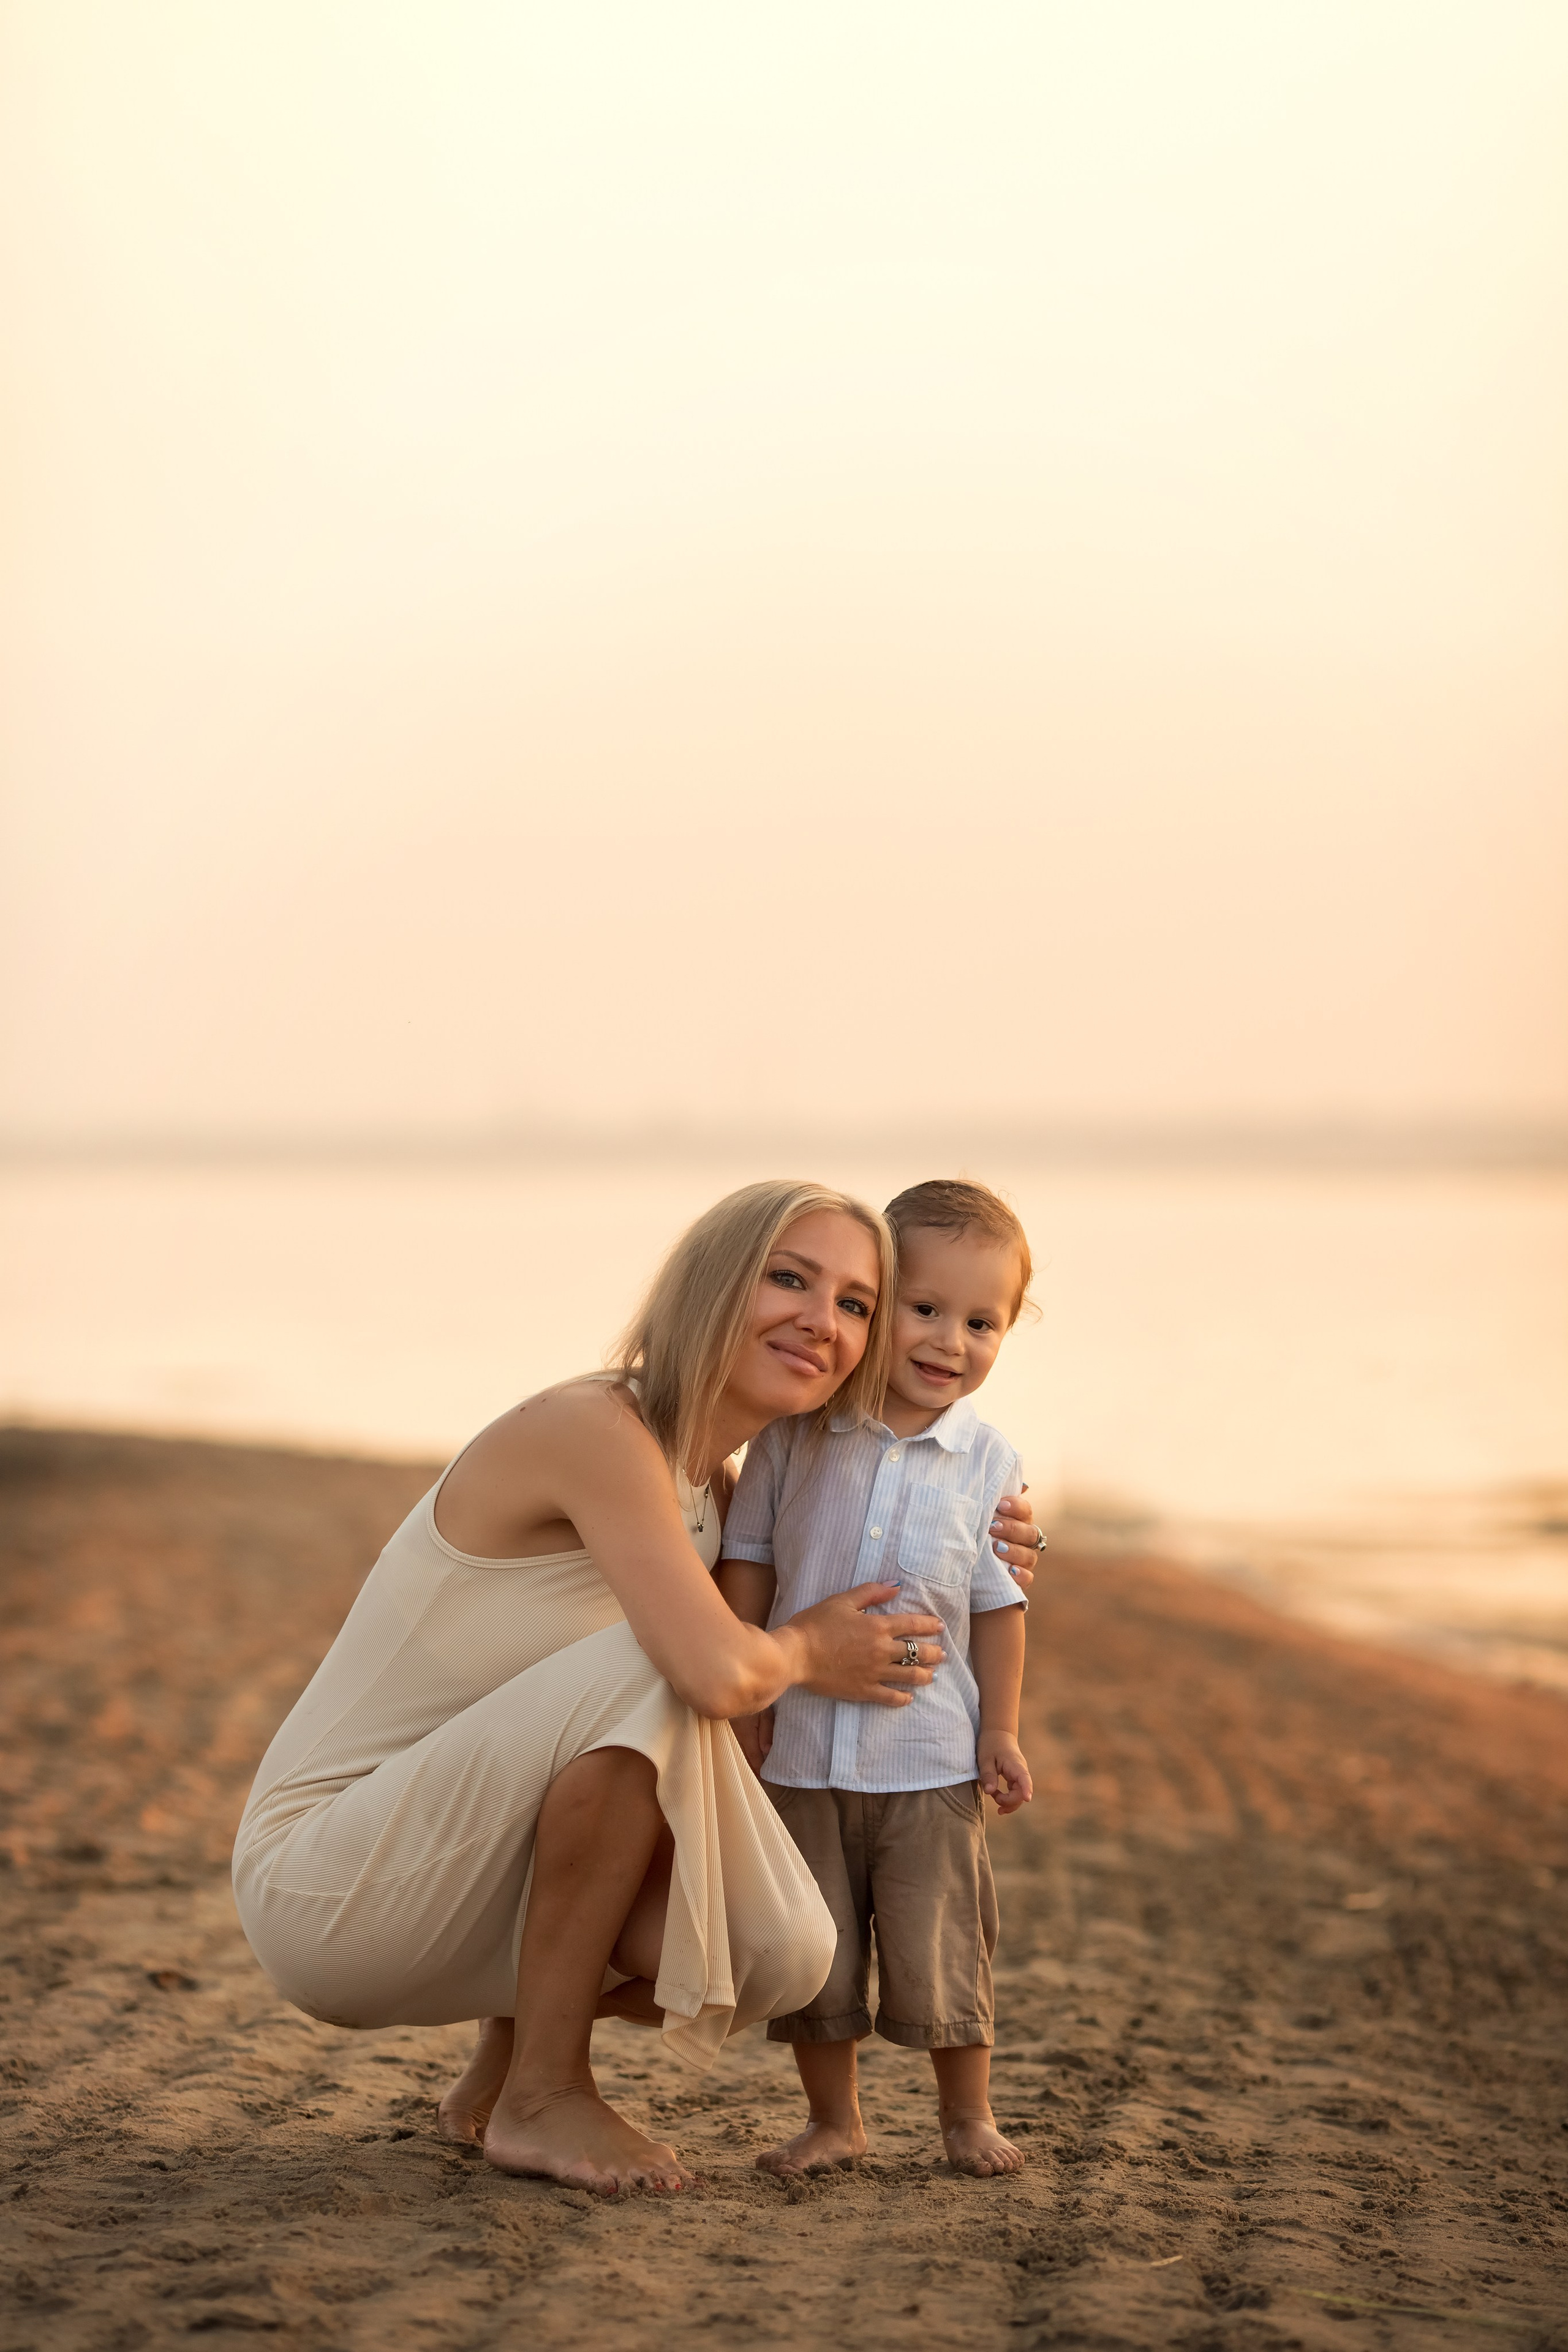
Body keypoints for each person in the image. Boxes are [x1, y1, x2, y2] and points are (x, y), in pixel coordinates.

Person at [232, 1179, 1042, 2198]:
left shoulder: (714, 1492)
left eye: (855, 1303)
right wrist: (802, 1653)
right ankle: (543, 2090)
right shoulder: (592, 1427)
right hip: (325, 1880)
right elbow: (717, 1669)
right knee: (668, 1674)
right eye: (787, 1279)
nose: (820, 1319)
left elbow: (855, 1560)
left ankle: (506, 2058)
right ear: (710, 1284)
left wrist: (1002, 1539)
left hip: (448, 1869)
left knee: (783, 1946)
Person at [717, 1178, 1039, 2179]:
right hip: (804, 1752)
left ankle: (966, 2115)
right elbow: (750, 1566)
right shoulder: (794, 1438)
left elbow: (997, 1603)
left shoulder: (987, 1461)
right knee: (818, 1953)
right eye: (926, 1309)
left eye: (982, 1323)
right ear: (877, 1302)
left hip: (928, 1754)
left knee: (944, 1941)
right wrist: (743, 1691)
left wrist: (999, 1731)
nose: (951, 1341)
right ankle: (835, 2120)